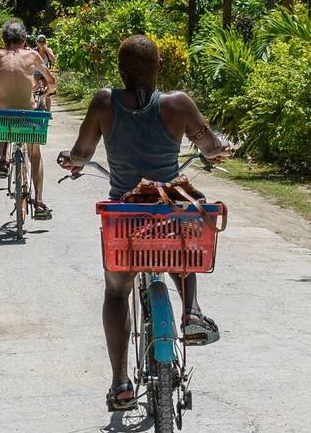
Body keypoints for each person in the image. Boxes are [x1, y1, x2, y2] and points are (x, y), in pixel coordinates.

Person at [57, 33, 232, 412]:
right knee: (185, 241)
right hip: (167, 211)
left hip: (126, 215)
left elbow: (81, 153)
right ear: (160, 68)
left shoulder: (104, 102)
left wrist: (69, 160)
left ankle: (121, 382)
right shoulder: (178, 104)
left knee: (117, 292)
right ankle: (191, 311)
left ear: (120, 71)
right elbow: (211, 146)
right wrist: (217, 152)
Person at [0, 20, 55, 219]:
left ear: (3, 40)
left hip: (6, 114)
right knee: (35, 154)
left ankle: (2, 159)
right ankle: (40, 202)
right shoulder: (33, 55)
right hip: (30, 115)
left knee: (3, 119)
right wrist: (47, 92)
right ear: (25, 39)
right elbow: (50, 80)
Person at [33, 32, 59, 109]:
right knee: (36, 84)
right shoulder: (34, 51)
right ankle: (31, 101)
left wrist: (46, 50)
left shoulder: (48, 50)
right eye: (40, 41)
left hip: (45, 72)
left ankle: (48, 111)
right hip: (36, 72)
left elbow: (53, 59)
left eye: (43, 41)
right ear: (37, 42)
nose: (41, 43)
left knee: (49, 88)